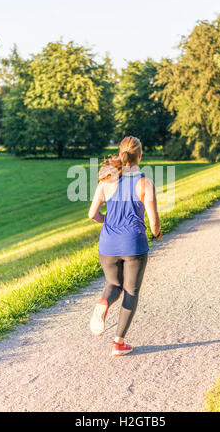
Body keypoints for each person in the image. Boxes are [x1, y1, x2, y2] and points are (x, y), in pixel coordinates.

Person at [88, 136, 162, 356]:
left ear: (121, 154)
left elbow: (92, 214)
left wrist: (106, 220)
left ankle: (103, 301)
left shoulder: (107, 179)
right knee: (131, 291)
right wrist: (156, 233)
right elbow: (153, 219)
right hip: (134, 244)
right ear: (140, 155)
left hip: (107, 245)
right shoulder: (145, 183)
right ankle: (118, 342)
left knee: (113, 283)